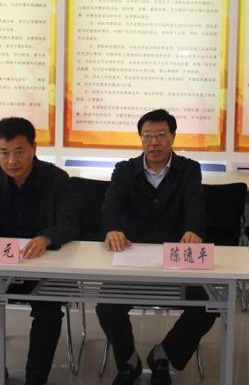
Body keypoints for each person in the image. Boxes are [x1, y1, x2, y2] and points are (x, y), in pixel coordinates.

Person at [0, 117, 77, 385]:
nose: (11, 161)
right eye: (4, 153)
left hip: (44, 264)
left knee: (48, 314)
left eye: (19, 152)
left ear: (34, 148)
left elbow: (69, 222)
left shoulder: (56, 179)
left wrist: (46, 237)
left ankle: (35, 378)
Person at [96, 108, 214, 385]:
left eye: (161, 135)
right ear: (140, 139)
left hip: (176, 258)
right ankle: (128, 361)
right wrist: (112, 228)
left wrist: (193, 230)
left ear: (173, 137)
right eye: (147, 136)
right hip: (132, 257)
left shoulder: (189, 169)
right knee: (106, 306)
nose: (154, 142)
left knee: (208, 306)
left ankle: (164, 355)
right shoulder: (124, 170)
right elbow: (110, 207)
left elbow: (195, 207)